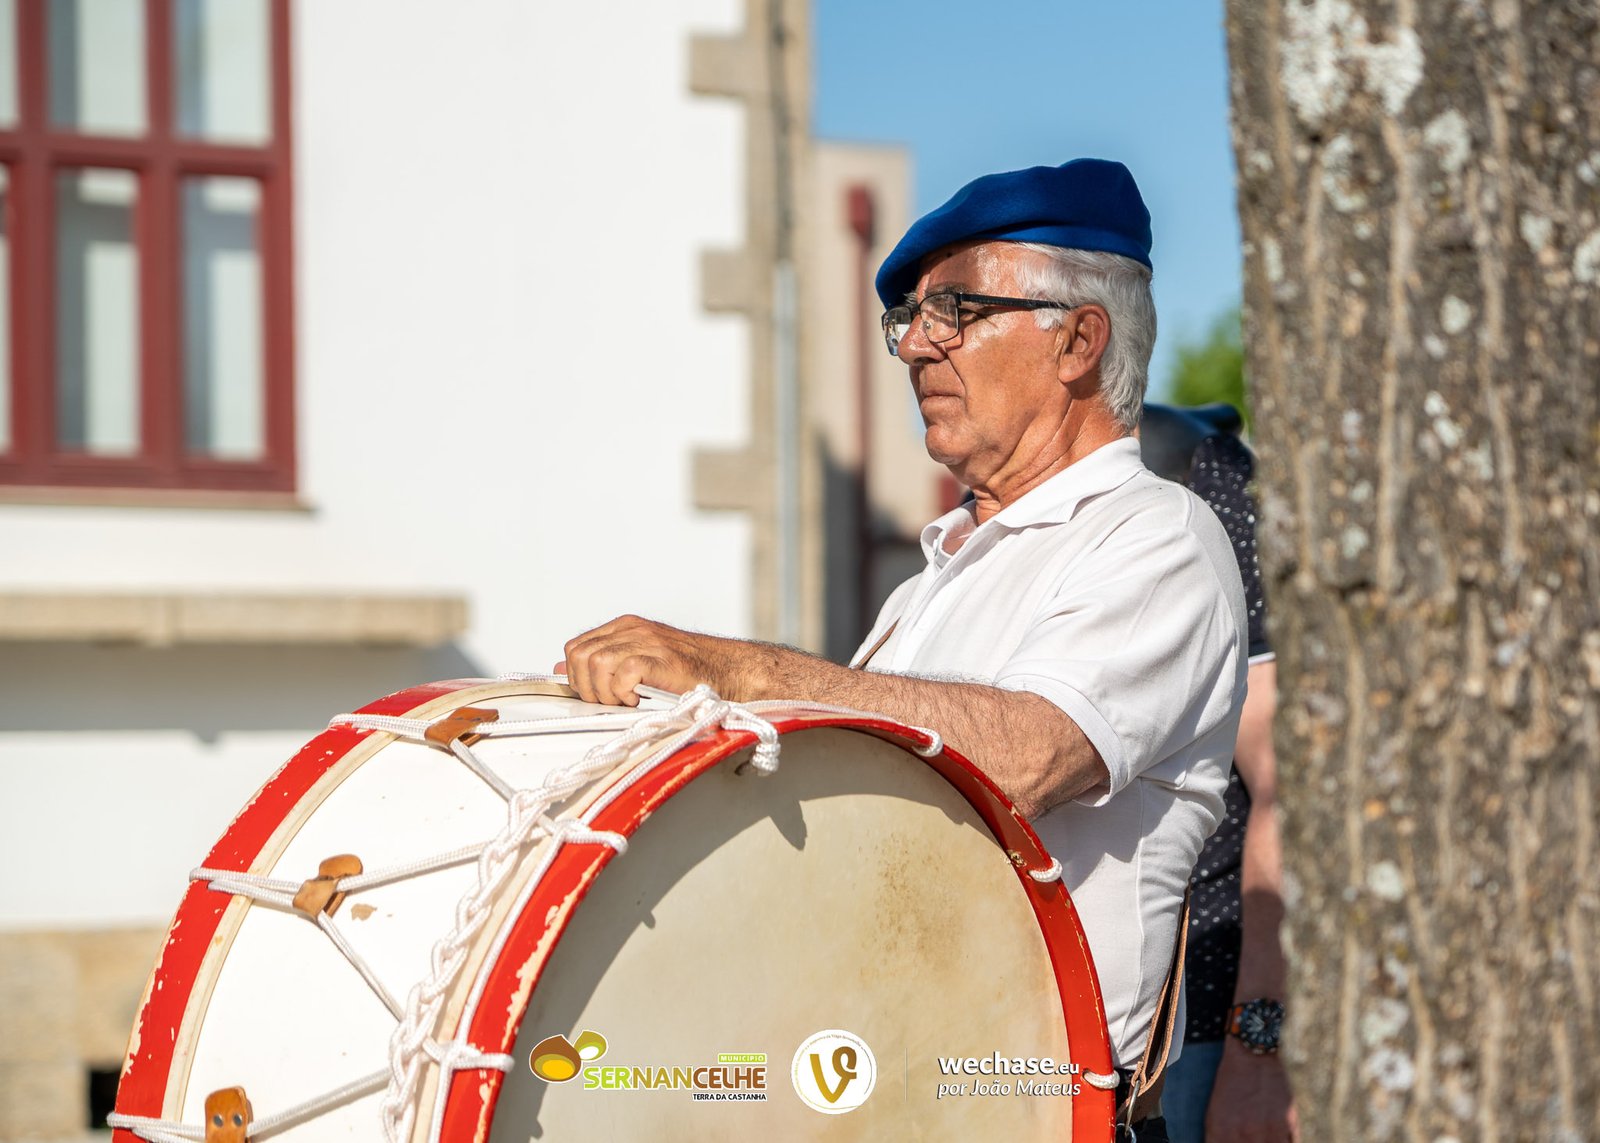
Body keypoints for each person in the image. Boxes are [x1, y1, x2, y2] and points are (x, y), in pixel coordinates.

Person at [559, 159, 1247, 1139]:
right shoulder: (932, 581)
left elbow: (1024, 757)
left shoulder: (1154, 535)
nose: (917, 346)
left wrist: (743, 672)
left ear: (1078, 341)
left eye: (955, 311)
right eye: (911, 320)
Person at [1139, 405, 1298, 1143]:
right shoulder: (979, 513)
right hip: (1041, 1033)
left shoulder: (1195, 472)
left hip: (1198, 1034)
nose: (923, 345)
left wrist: (1260, 1051)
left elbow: (1284, 786)